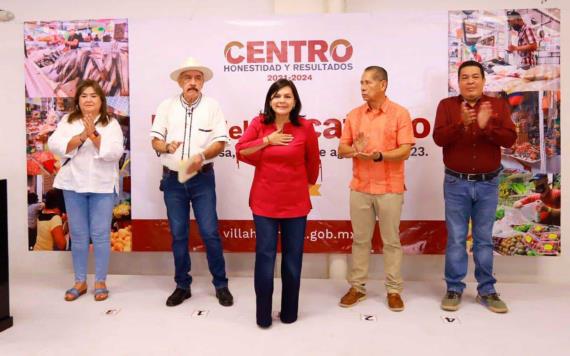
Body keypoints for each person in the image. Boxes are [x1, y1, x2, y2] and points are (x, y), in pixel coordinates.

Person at [433, 60, 517, 313]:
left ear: (483, 80)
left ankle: (487, 290)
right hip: (456, 183)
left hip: (488, 184)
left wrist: (486, 126)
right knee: (457, 238)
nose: (470, 81)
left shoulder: (498, 106)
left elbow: (510, 139)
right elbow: (438, 138)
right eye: (465, 77)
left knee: (483, 239)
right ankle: (454, 288)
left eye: (475, 77)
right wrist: (462, 124)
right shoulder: (447, 106)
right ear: (458, 82)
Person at [236, 79, 320, 328]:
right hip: (264, 202)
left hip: (296, 203)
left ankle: (289, 312)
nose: (281, 100)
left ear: (294, 101)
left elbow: (312, 164)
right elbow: (240, 150)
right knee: (265, 256)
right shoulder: (259, 124)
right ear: (269, 100)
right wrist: (267, 141)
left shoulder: (305, 127)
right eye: (276, 96)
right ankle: (263, 315)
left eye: (287, 96)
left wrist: (300, 188)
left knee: (293, 259)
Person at [150, 57, 233, 307]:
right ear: (179, 82)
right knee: (178, 234)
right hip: (173, 179)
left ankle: (221, 285)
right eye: (188, 78)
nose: (193, 83)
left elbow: (221, 141)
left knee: (209, 232)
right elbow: (155, 140)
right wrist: (166, 146)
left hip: (202, 178)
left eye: (198, 78)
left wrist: (201, 156)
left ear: (203, 82)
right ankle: (182, 285)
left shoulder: (213, 106)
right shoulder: (166, 106)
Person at [337, 66, 415, 312]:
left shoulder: (400, 114)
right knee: (360, 240)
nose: (363, 87)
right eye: (361, 83)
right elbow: (342, 150)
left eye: (368, 82)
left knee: (391, 242)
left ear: (383, 85)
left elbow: (405, 150)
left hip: (390, 187)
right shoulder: (353, 115)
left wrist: (379, 155)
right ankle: (357, 288)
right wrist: (355, 149)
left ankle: (393, 290)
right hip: (360, 187)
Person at [48, 79, 124, 302]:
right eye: (84, 96)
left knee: (100, 235)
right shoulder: (68, 121)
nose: (88, 99)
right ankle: (79, 281)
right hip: (73, 184)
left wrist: (94, 135)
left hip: (102, 186)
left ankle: (100, 281)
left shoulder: (111, 123)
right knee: (79, 236)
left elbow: (114, 153)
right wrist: (81, 135)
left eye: (93, 95)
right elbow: (55, 144)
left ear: (101, 100)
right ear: (78, 101)